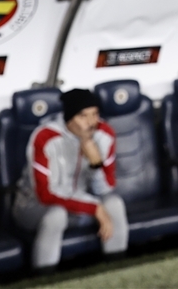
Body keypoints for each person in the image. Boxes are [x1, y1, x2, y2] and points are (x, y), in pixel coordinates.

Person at [12, 88, 128, 270]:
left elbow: (106, 188)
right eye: (83, 116)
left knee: (114, 203)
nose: (91, 122)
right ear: (69, 118)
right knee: (56, 215)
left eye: (95, 114)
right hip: (33, 206)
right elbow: (45, 195)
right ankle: (45, 277)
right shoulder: (44, 137)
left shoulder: (105, 133)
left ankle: (117, 267)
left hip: (80, 201)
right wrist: (94, 208)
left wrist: (96, 164)